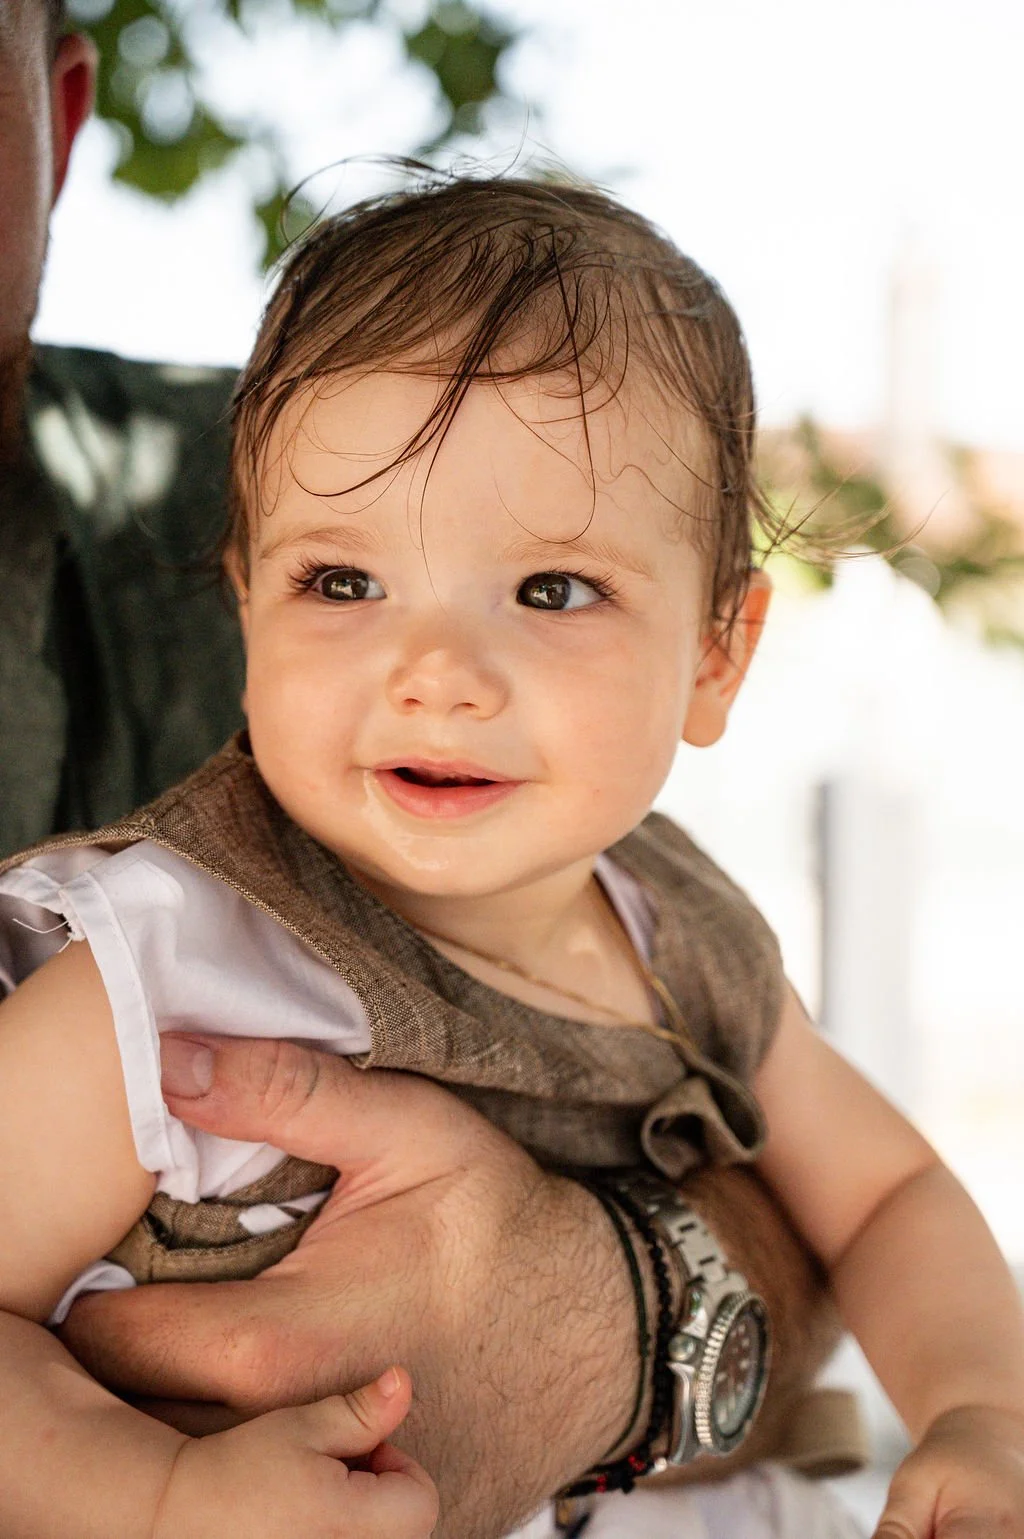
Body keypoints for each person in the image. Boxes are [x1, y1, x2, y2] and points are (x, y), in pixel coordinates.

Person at [2, 168, 1023, 1539]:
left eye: (552, 589)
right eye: (343, 582)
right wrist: (155, 1492)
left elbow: (889, 1192)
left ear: (717, 657)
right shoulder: (163, 965)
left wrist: (981, 1412)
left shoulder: (682, 936)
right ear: (248, 606)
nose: (435, 672)